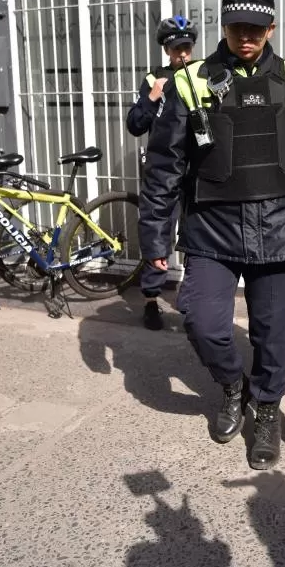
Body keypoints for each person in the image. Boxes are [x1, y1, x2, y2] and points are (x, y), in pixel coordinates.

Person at [138, 0, 285, 471]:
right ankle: (232, 385)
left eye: (255, 27)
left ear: (271, 27)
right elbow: (164, 165)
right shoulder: (190, 82)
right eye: (236, 26)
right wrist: (155, 240)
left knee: (272, 335)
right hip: (213, 228)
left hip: (284, 230)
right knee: (202, 322)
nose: (245, 36)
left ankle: (265, 409)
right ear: (224, 26)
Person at [125, 16, 197, 331]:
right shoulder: (154, 78)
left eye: (186, 46)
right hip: (163, 167)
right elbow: (135, 124)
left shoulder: (202, 74)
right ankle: (151, 299)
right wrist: (152, 97)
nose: (181, 53)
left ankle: (192, 298)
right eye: (175, 47)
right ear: (166, 49)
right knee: (158, 230)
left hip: (199, 168)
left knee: (198, 234)